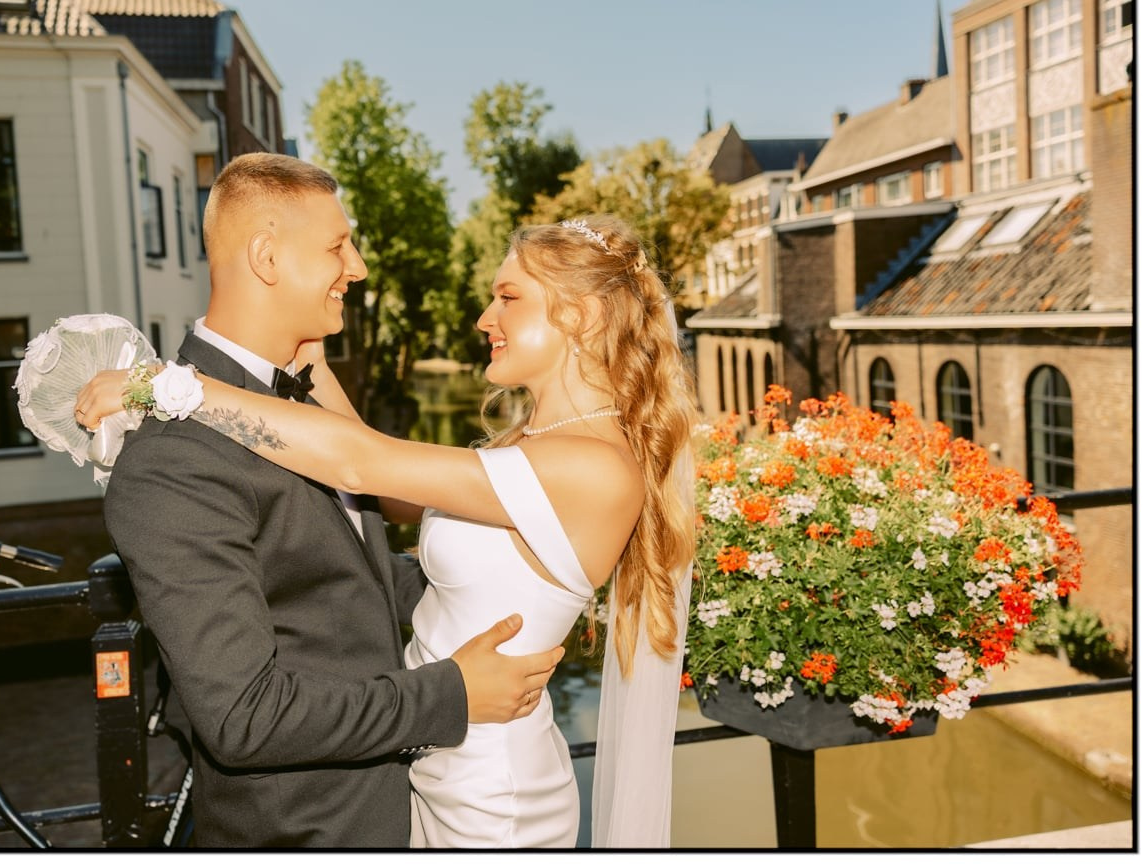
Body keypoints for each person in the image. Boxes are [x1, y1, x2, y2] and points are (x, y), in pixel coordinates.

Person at [78, 211, 695, 850]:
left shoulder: (591, 464)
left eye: (509, 297)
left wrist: (168, 387)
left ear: (584, 316)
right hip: (438, 755)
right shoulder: (536, 445)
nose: (485, 317)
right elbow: (389, 488)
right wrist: (309, 361)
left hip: (491, 783)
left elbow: (360, 464)